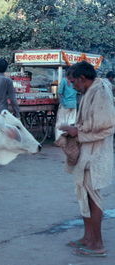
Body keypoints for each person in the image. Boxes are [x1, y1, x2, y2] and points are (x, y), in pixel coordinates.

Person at [59, 61, 115, 257]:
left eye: (73, 82)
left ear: (82, 79)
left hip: (97, 155)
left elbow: (107, 125)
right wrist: (75, 129)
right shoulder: (88, 92)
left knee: (93, 196)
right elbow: (91, 122)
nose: (72, 86)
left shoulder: (101, 92)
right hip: (87, 153)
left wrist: (77, 132)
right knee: (84, 194)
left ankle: (97, 243)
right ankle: (87, 237)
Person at [55, 70, 77, 141]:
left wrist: (62, 102)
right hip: (73, 104)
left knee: (61, 122)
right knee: (71, 122)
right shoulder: (75, 80)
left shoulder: (64, 81)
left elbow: (59, 93)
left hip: (65, 105)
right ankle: (69, 140)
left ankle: (59, 140)